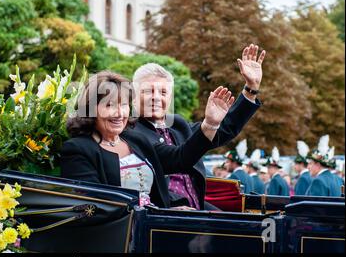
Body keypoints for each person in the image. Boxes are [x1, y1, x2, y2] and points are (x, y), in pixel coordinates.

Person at [59, 71, 239, 208]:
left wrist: (210, 123)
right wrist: (156, 215)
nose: (119, 113)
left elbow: (181, 158)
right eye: (109, 105)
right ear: (90, 109)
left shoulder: (137, 141)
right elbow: (94, 207)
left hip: (156, 229)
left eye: (123, 105)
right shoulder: (78, 148)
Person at [131, 44, 264, 209]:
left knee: (249, 226)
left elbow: (222, 130)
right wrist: (209, 124)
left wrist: (250, 89)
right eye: (148, 91)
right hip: (164, 215)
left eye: (163, 93)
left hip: (198, 207)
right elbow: (178, 158)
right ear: (134, 97)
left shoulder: (177, 124)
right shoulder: (131, 131)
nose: (156, 98)